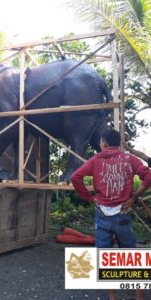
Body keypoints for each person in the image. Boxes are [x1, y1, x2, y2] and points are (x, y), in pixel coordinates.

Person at [71, 128, 151, 300]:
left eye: (100, 141)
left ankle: (112, 297)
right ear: (117, 143)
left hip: (102, 215)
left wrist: (90, 198)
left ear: (104, 143)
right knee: (130, 255)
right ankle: (139, 295)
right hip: (123, 214)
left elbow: (75, 177)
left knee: (105, 257)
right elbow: (148, 177)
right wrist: (135, 197)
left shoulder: (95, 160)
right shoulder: (129, 159)